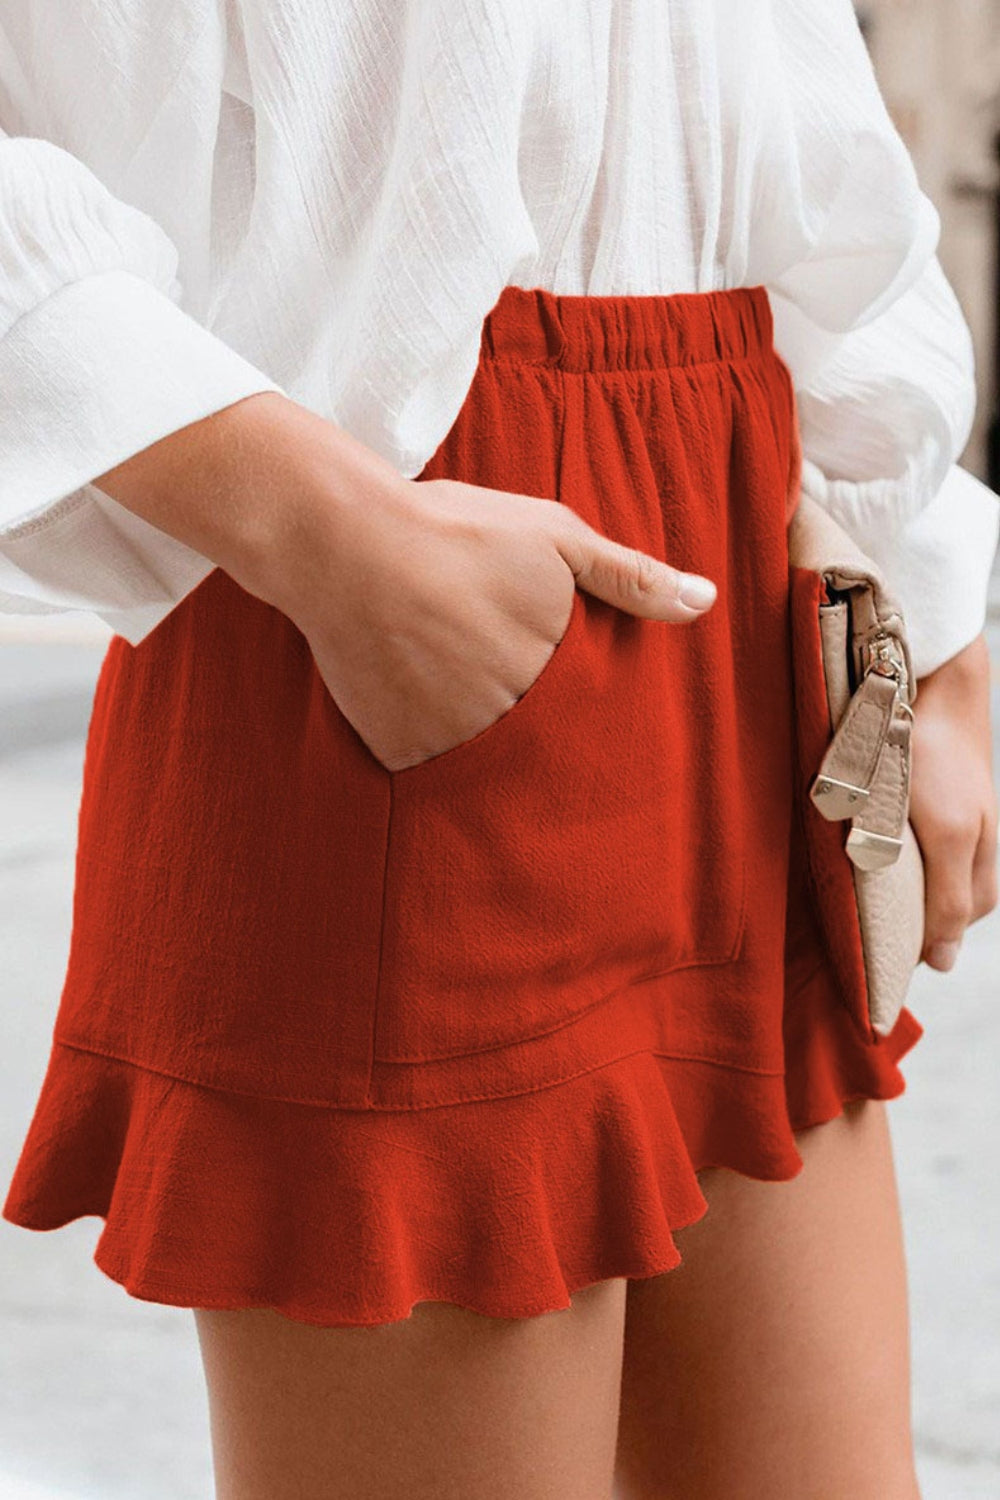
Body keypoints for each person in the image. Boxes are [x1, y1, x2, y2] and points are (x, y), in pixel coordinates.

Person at [1, 2, 997, 1497]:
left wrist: (941, 628)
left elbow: (805, 116)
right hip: (393, 600)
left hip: (743, 597)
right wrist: (331, 534)